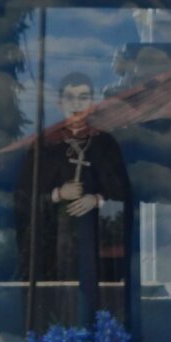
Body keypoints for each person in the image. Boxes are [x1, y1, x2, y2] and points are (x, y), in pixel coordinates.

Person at [16, 72, 130, 327]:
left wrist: (97, 199)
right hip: (54, 245)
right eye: (70, 97)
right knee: (58, 306)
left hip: (96, 243)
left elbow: (123, 195)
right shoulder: (45, 146)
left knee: (93, 302)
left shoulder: (105, 145)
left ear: (92, 103)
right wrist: (58, 194)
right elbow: (23, 199)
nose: (76, 104)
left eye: (83, 97)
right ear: (60, 103)